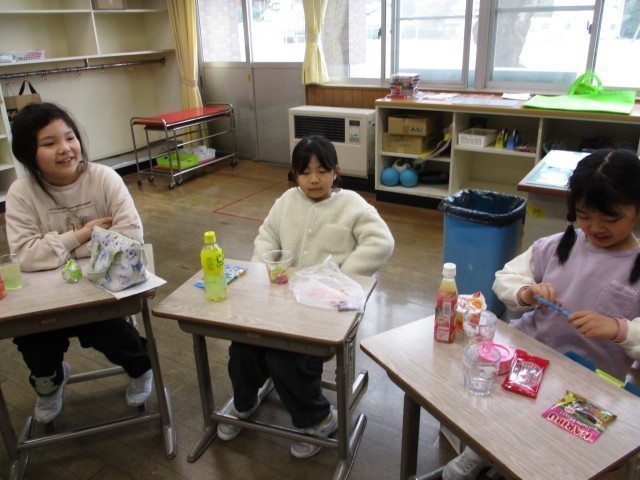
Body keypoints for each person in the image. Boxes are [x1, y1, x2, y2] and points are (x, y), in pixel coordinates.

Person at [443, 148, 640, 480]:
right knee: (498, 409)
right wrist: (526, 292)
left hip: (591, 383)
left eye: (610, 219)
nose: (595, 227)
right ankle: (481, 452)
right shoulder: (559, 245)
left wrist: (619, 329)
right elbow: (505, 277)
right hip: (532, 355)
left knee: (554, 448)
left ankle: (515, 462)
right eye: (585, 215)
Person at [216, 135, 395, 458]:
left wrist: (341, 278)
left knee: (285, 358)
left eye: (322, 171)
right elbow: (267, 236)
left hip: (325, 309)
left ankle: (319, 418)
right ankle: (244, 401)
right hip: (279, 301)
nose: (314, 179)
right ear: (295, 174)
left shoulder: (351, 204)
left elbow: (381, 242)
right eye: (305, 172)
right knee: (243, 348)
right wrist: (263, 269)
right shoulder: (287, 201)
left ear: (336, 171)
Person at [5, 102, 154, 424]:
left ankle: (141, 369)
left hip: (100, 287)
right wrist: (85, 234)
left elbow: (130, 236)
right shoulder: (21, 193)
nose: (65, 149)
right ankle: (49, 383)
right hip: (44, 297)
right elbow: (25, 256)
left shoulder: (103, 178)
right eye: (49, 143)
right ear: (29, 153)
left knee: (114, 333)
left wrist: (59, 248)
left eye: (69, 137)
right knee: (33, 341)